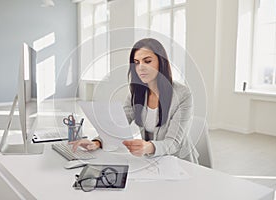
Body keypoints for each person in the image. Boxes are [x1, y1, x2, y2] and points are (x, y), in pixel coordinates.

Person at [70, 38, 198, 163]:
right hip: (151, 161)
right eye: (136, 62)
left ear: (161, 62)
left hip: (179, 162)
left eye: (147, 61)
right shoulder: (136, 93)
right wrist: (97, 142)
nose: (141, 67)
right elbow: (118, 125)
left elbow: (173, 143)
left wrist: (148, 147)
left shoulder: (182, 94)